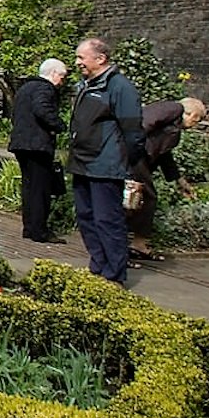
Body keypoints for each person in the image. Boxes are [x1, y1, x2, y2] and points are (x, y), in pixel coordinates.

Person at [67, 37, 144, 284]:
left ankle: (114, 274)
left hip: (105, 164)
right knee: (86, 217)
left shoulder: (120, 87)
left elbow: (132, 130)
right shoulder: (86, 85)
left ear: (100, 59)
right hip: (82, 162)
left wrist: (129, 163)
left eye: (82, 57)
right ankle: (98, 265)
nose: (77, 62)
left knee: (107, 220)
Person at [126, 96, 207, 263]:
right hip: (135, 156)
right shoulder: (174, 108)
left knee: (139, 200)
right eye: (196, 120)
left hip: (139, 158)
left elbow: (165, 156)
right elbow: (144, 122)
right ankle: (128, 246)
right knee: (140, 198)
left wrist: (179, 180)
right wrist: (133, 146)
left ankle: (136, 244)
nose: (195, 125)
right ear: (191, 114)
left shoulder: (173, 128)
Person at [9, 58, 69, 243]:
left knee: (29, 187)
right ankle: (39, 230)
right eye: (62, 76)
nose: (62, 81)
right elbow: (42, 109)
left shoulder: (25, 88)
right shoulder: (44, 88)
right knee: (41, 189)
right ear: (53, 74)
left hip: (22, 143)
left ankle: (30, 227)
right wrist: (59, 125)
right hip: (37, 145)